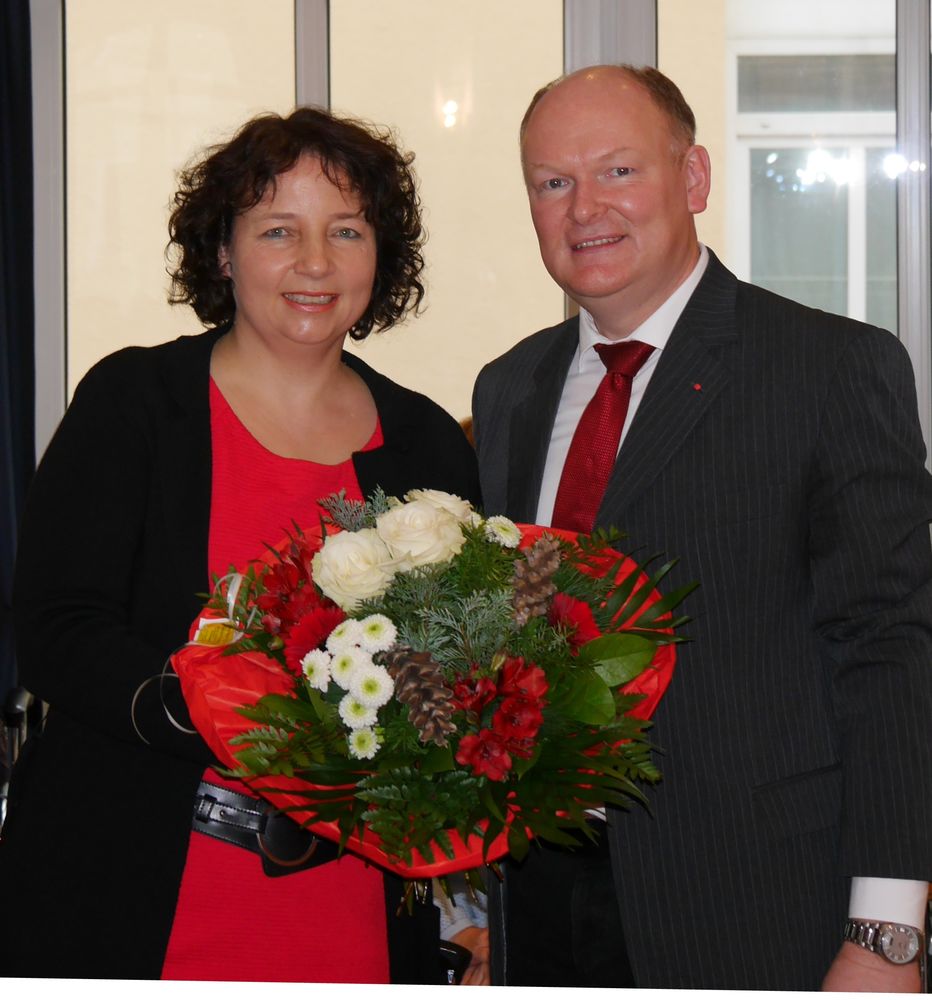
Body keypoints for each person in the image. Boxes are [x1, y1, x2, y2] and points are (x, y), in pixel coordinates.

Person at [472, 64, 932, 991]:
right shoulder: (509, 387)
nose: (583, 207)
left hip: (761, 908)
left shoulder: (831, 368)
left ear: (693, 180)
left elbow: (892, 653)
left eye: (618, 172)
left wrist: (888, 932)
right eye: (552, 182)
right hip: (545, 908)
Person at [0, 106, 483, 983]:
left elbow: (459, 663)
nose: (315, 263)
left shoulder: (429, 443)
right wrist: (244, 723)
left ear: (383, 255)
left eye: (346, 230)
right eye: (278, 230)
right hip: (124, 892)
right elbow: (58, 630)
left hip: (353, 913)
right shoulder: (133, 403)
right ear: (224, 253)